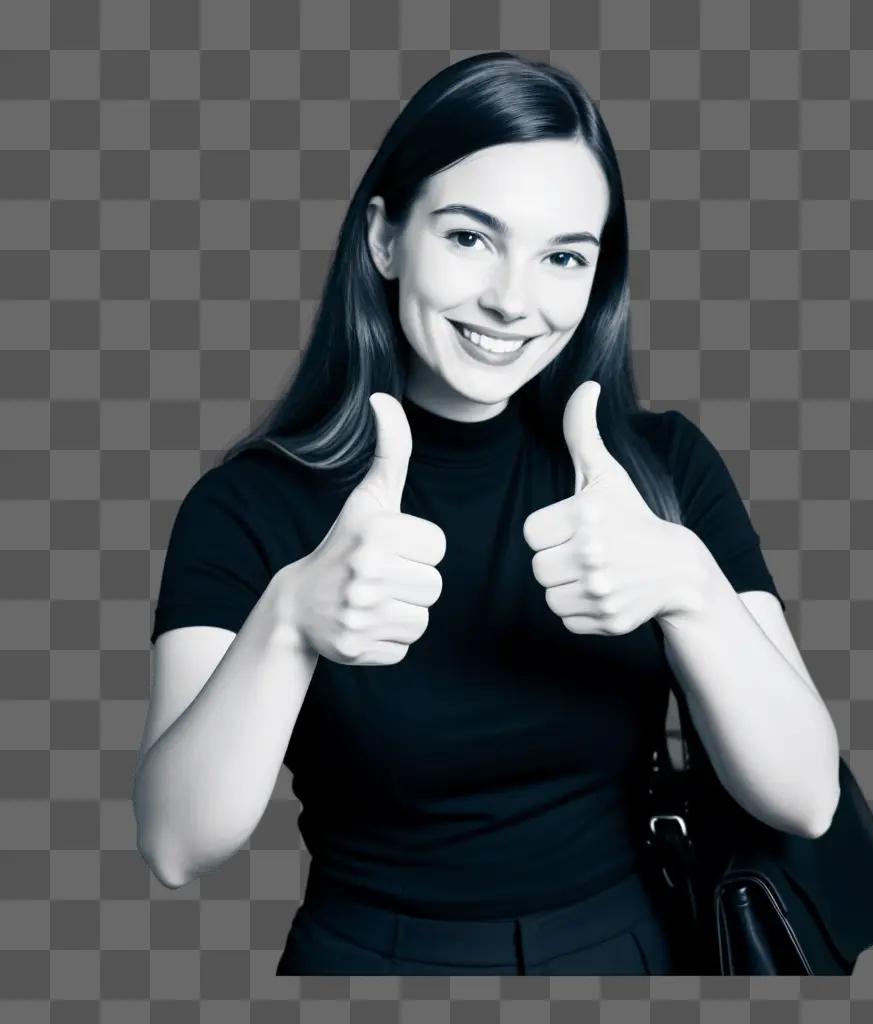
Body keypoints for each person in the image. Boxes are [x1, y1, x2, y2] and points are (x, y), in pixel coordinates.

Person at [133, 52, 823, 977]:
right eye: (468, 238)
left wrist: (688, 586)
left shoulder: (659, 470)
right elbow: (178, 845)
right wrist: (291, 620)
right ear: (385, 237)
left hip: (636, 953)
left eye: (563, 257)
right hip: (366, 962)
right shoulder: (251, 503)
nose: (512, 300)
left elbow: (805, 798)